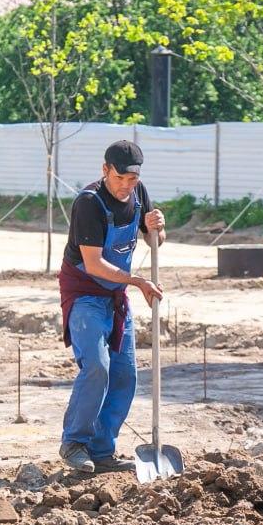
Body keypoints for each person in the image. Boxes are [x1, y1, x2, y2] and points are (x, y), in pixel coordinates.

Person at [57, 140, 166, 473]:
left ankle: (102, 451)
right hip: (86, 294)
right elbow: (93, 264)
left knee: (124, 375)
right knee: (97, 367)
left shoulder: (138, 192)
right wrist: (137, 282)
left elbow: (153, 241)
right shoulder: (88, 204)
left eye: (132, 180)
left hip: (116, 296)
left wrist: (157, 229)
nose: (126, 186)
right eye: (120, 178)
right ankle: (74, 443)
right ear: (105, 170)